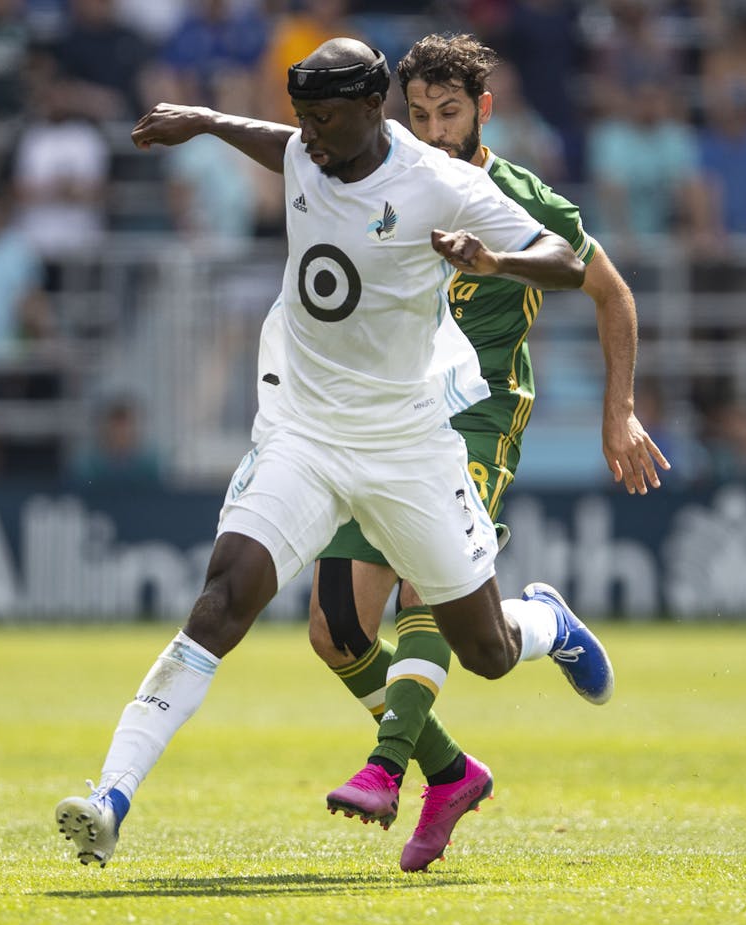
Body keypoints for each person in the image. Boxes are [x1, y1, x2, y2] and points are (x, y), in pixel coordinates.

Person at [55, 38, 603, 871]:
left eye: (322, 118)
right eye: (302, 116)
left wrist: (496, 260)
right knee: (223, 600)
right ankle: (109, 797)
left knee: (486, 650)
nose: (305, 135)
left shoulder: (438, 183)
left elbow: (564, 261)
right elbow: (270, 141)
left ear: (371, 107)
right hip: (302, 434)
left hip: (407, 444)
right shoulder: (309, 149)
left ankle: (546, 622)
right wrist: (200, 121)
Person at [300, 32, 670, 873]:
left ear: (484, 111)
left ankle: (386, 764)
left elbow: (610, 292)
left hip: (477, 414)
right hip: (385, 416)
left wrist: (620, 413)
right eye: (419, 113)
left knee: (426, 580)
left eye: (450, 113)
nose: (433, 131)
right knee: (335, 631)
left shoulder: (519, 197)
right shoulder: (385, 181)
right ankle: (481, 724)